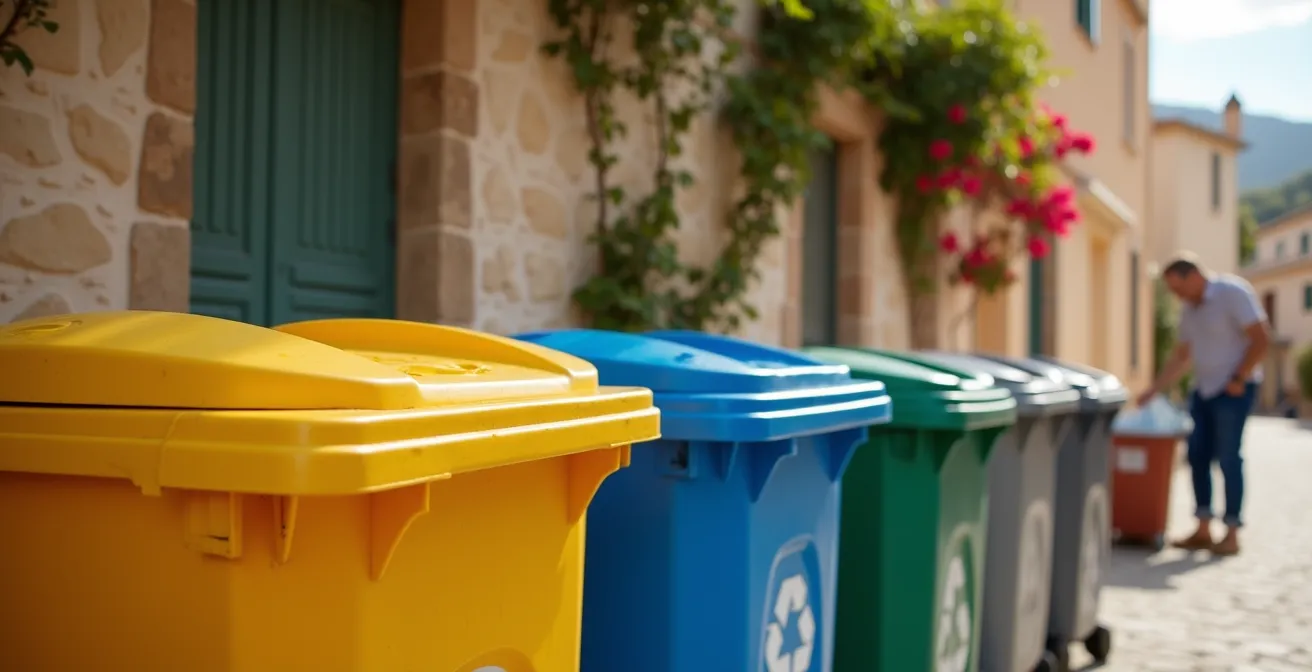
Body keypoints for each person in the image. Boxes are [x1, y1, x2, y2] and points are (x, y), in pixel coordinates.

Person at [1136, 252, 1270, 556]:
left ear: (1194, 276)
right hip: (1204, 390)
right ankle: (1203, 528)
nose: (1175, 295)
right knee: (1197, 456)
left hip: (1234, 389)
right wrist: (1154, 390)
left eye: (1177, 287)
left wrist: (1239, 377)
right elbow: (1182, 355)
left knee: (1228, 458)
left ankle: (1232, 532)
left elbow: (1261, 338)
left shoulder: (1232, 293)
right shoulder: (1189, 309)